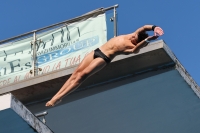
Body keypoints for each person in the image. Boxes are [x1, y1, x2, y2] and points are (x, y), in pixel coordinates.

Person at [46, 25, 164, 106]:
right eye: (134, 36)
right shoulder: (135, 34)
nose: (132, 37)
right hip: (97, 51)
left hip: (104, 58)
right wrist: (155, 27)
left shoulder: (133, 47)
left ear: (137, 42)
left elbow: (136, 50)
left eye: (134, 39)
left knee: (82, 75)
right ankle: (56, 97)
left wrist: (148, 40)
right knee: (76, 73)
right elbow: (144, 27)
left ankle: (58, 98)